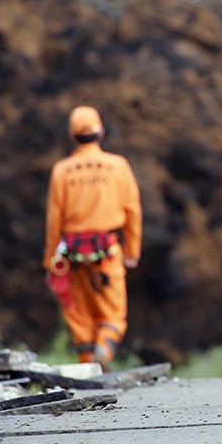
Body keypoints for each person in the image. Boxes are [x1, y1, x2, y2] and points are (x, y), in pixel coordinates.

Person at [43, 106, 142, 373]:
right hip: (107, 251)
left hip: (71, 255)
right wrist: (132, 251)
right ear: (101, 132)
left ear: (72, 136)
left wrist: (50, 259)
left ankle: (89, 370)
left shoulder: (62, 170)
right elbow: (132, 210)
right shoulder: (118, 166)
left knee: (79, 316)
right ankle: (104, 349)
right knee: (113, 313)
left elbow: (54, 220)